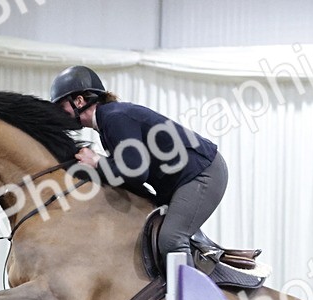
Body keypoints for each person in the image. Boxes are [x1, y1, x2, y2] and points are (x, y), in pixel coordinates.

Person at [49, 65, 227, 258]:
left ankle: (186, 289)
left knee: (170, 240)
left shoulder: (114, 118)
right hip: (181, 180)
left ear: (79, 100)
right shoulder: (107, 121)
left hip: (202, 174)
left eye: (61, 106)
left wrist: (97, 162)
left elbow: (135, 172)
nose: (60, 114)